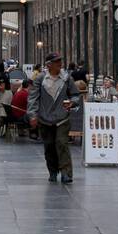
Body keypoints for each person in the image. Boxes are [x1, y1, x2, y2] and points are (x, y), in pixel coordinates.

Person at [27, 52, 80, 184]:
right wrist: (32, 115)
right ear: (49, 65)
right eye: (57, 62)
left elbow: (75, 95)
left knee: (62, 143)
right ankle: (52, 170)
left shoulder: (67, 78)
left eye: (60, 62)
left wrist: (72, 102)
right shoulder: (40, 79)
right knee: (49, 146)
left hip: (62, 118)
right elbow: (33, 98)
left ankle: (66, 173)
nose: (60, 64)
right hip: (45, 119)